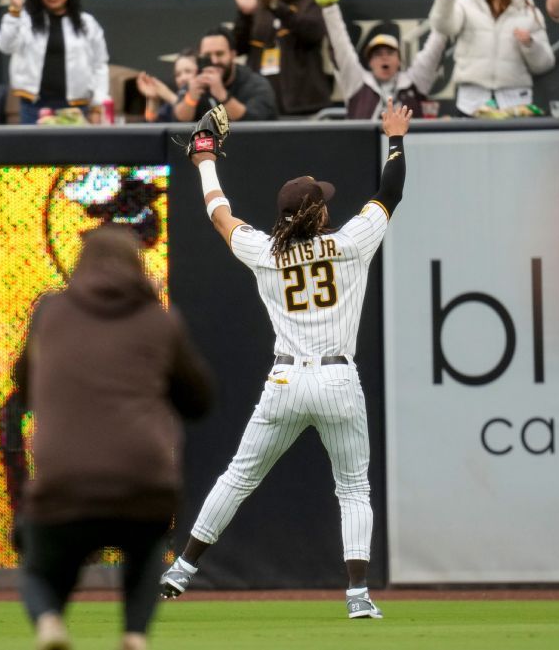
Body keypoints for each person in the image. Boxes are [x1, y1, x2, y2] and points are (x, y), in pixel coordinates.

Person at [159, 100, 412, 619]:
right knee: (353, 487)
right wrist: (396, 138)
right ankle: (359, 595)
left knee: (238, 477)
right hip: (339, 379)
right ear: (318, 213)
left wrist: (204, 159)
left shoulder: (263, 252)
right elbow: (391, 192)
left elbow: (219, 213)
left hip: (285, 382)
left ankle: (182, 568)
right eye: (324, 203)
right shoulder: (350, 243)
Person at [14, 225, 214, 650]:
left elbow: (23, 388)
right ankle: (135, 633)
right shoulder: (160, 320)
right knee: (144, 554)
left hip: (64, 480)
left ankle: (50, 621)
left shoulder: (49, 313)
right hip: (144, 479)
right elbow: (199, 401)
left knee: (40, 566)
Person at [429, 0, 554, 116]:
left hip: (515, 105)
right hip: (471, 104)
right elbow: (442, 26)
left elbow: (545, 64)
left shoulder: (528, 9)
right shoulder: (464, 4)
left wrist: (530, 44)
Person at [314, 0, 446, 119]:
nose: (384, 58)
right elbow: (339, 44)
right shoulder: (357, 83)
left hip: (406, 143)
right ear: (369, 62)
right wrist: (328, 3)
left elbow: (436, 44)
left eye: (390, 53)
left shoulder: (414, 83)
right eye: (377, 54)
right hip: (367, 143)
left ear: (399, 60)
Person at [0, 0, 110, 124]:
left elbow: (100, 66)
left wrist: (98, 106)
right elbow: (4, 45)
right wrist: (15, 11)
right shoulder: (26, 20)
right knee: (36, 150)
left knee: (76, 150)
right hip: (34, 109)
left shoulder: (87, 23)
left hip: (76, 109)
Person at [230, 0, 331, 116]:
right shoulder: (257, 10)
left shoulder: (310, 5)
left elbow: (312, 33)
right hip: (262, 106)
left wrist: (275, 5)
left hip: (305, 108)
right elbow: (237, 48)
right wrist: (244, 14)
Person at [173, 29, 277, 122]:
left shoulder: (256, 85)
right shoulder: (197, 82)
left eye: (219, 54)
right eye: (207, 55)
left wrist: (222, 95)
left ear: (233, 55)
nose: (214, 61)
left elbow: (253, 121)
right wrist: (191, 98)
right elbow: (179, 120)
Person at [135, 50, 196, 122]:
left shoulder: (207, 98)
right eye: (178, 75)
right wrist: (153, 99)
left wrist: (167, 94)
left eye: (188, 71)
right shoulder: (170, 104)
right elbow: (151, 124)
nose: (182, 78)